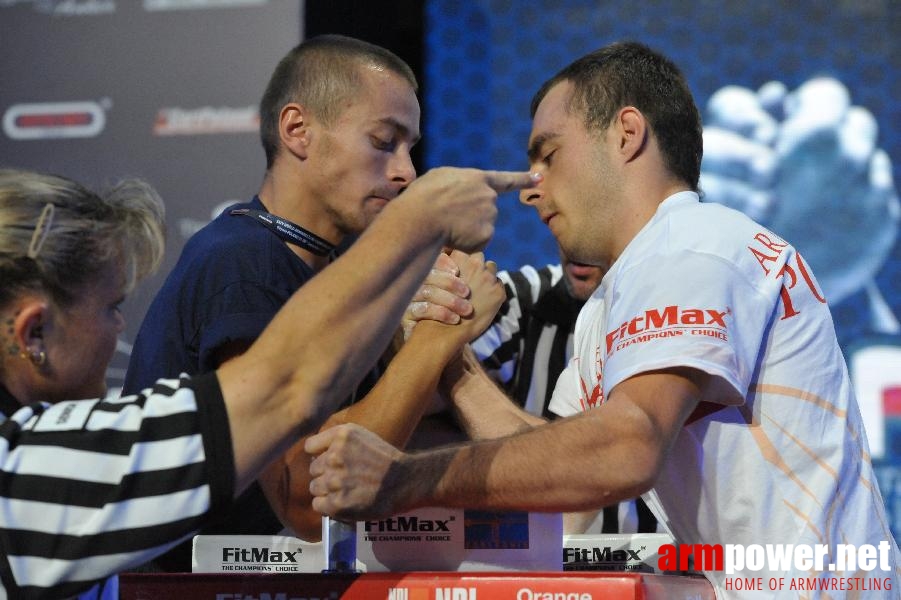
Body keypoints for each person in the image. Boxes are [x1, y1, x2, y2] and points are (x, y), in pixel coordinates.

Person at [307, 41, 901, 597]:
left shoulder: (694, 244)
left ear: (627, 134)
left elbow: (626, 449)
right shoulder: (616, 298)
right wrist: (454, 356)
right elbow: (566, 488)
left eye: (549, 154)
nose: (531, 188)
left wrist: (405, 479)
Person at [0, 166, 533, 598]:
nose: (120, 327)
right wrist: (419, 230)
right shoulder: (28, 476)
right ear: (33, 331)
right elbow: (287, 397)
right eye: (111, 307)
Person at [122, 34, 503, 571]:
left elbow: (399, 435)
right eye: (382, 141)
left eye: (409, 147)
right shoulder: (241, 261)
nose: (405, 172)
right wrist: (440, 334)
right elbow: (308, 502)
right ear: (298, 130)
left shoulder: (338, 269)